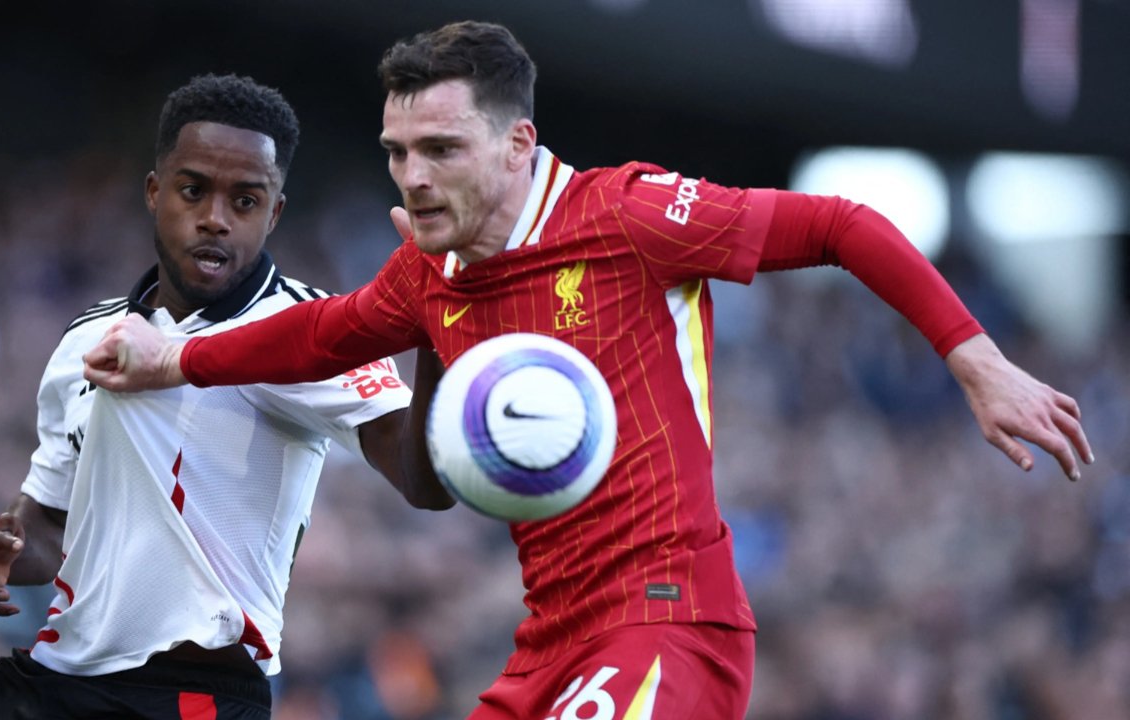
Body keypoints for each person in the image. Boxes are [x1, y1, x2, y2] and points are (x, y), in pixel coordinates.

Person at [82, 22, 1094, 720]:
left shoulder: (627, 216)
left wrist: (976, 361)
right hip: (549, 644)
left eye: (440, 147)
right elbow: (323, 334)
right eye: (397, 153)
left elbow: (840, 223)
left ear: (518, 143)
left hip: (667, 620)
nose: (414, 175)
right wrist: (177, 357)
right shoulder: (429, 273)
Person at [0, 73, 450, 719]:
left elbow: (426, 482)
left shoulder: (313, 332)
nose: (214, 218)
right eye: (193, 190)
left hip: (192, 696)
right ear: (155, 192)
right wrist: (3, 549)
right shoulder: (86, 338)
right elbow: (47, 526)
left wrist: (435, 332)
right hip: (52, 680)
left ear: (275, 212)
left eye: (245, 200)